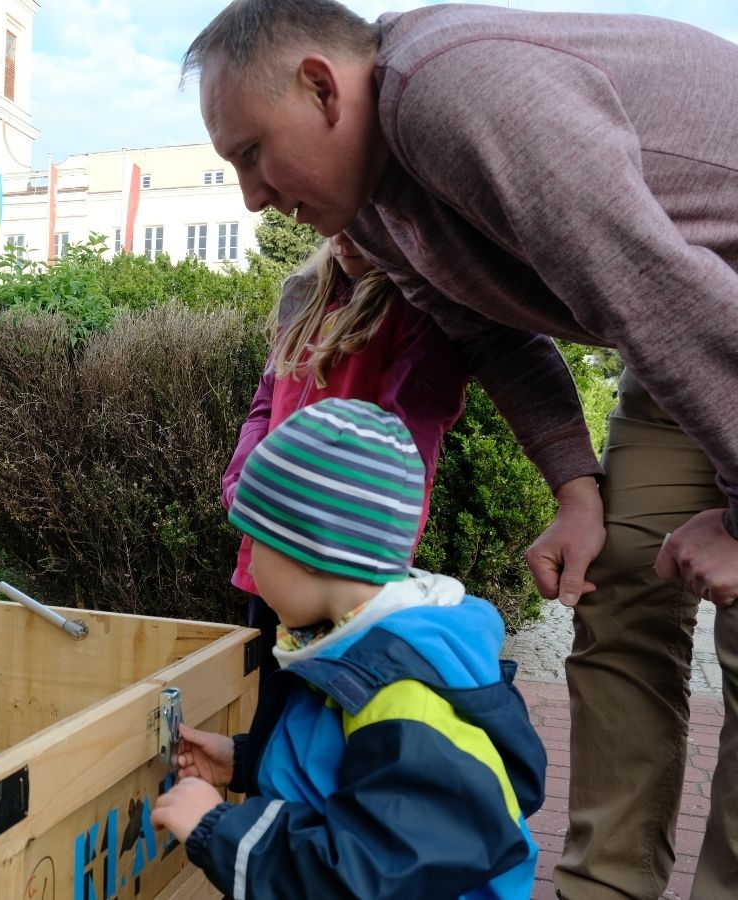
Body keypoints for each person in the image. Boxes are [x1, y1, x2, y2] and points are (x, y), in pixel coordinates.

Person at [182, 3, 738, 898]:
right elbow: (492, 333)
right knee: (624, 586)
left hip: (702, 308)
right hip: (684, 332)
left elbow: (652, 284)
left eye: (252, 152)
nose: (251, 194)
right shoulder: (376, 213)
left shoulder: (448, 86)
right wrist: (577, 492)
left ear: (322, 87)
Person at [152, 398, 546, 899]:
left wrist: (218, 829)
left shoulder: (403, 695)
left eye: (255, 543)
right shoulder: (365, 652)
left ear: (310, 552)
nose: (248, 564)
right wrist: (246, 760)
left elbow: (366, 879)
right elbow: (349, 765)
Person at [222, 232, 467, 685]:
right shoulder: (303, 291)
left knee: (335, 694)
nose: (341, 238)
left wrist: (375, 561)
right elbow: (265, 403)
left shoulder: (417, 306)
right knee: (271, 695)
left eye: (360, 223)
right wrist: (246, 482)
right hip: (271, 547)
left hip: (340, 562)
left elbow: (409, 446)